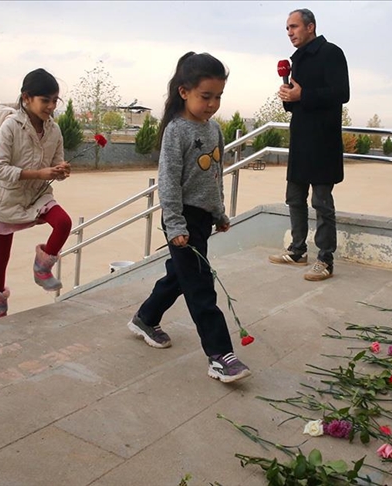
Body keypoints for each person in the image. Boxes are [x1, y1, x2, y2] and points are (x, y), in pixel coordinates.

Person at [128, 52, 250, 384]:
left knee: (181, 276)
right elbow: (168, 181)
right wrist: (176, 224)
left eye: (218, 97)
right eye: (205, 96)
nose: (212, 104)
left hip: (202, 219)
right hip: (180, 218)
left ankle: (146, 317)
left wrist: (220, 213)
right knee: (200, 287)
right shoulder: (176, 131)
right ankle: (220, 355)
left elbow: (215, 177)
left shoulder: (215, 130)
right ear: (184, 91)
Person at [269, 8, 350, 281]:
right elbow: (297, 102)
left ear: (310, 27)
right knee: (294, 197)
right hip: (301, 138)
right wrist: (288, 96)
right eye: (288, 28)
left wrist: (304, 94)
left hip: (323, 140)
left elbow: (342, 93)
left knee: (322, 202)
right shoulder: (297, 60)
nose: (290, 32)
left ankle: (325, 260)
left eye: (294, 27)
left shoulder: (331, 53)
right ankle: (297, 251)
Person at [0, 68, 72, 319]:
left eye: (55, 100)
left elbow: (56, 162)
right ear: (27, 98)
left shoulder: (54, 130)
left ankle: (42, 267)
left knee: (64, 222)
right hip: (9, 197)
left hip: (39, 195)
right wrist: (39, 173)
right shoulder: (10, 127)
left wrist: (60, 170)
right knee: (1, 256)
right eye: (45, 100)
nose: (51, 106)